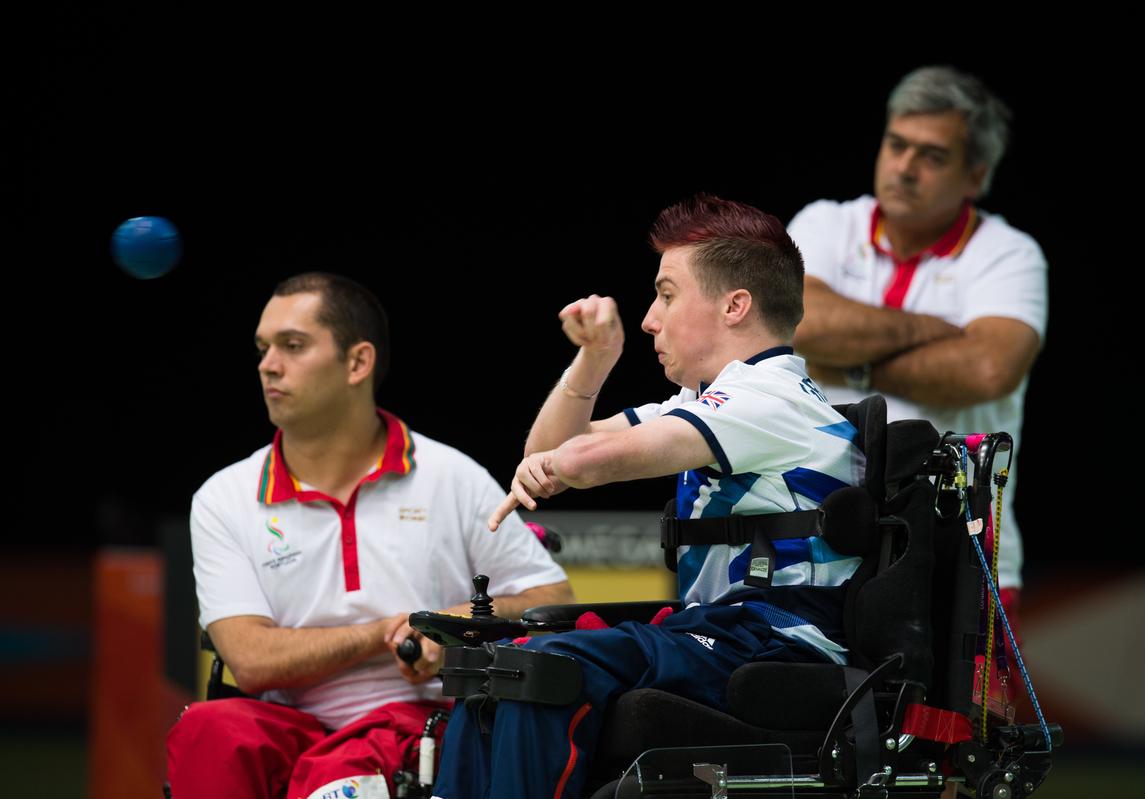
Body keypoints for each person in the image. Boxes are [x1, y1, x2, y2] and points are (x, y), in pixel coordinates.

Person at [432, 195, 865, 799]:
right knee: (494, 668)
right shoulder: (705, 400)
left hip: (777, 641)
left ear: (734, 305)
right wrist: (593, 360)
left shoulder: (773, 398)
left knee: (544, 668)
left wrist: (564, 463)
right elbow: (549, 446)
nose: (648, 320)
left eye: (666, 294)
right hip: (720, 633)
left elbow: (581, 460)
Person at [166, 272, 572, 799]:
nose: (267, 364)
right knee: (207, 730)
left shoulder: (451, 475)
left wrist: (447, 628)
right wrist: (391, 630)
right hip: (284, 720)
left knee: (339, 774)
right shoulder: (225, 495)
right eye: (263, 348)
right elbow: (250, 659)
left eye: (292, 346)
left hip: (413, 720)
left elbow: (553, 600)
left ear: (358, 362)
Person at [786, 66, 1047, 650]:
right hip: (822, 544)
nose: (904, 167)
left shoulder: (1008, 254)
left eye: (932, 155)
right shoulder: (824, 223)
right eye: (896, 144)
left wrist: (848, 362)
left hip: (965, 555)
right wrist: (935, 332)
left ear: (975, 175)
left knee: (961, 741)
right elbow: (801, 322)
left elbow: (987, 369)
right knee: (823, 731)